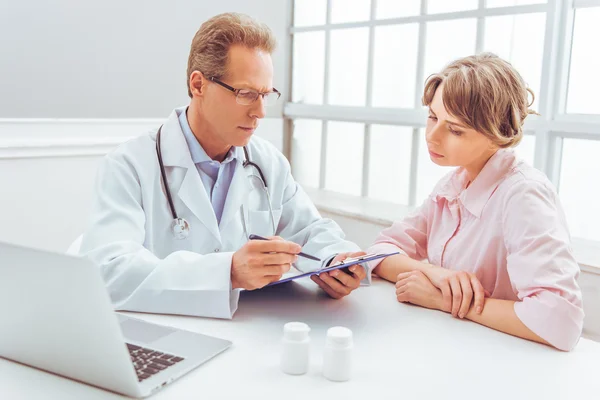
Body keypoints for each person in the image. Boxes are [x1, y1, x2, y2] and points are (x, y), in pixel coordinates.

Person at [79, 13, 367, 319]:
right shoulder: (129, 166)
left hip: (250, 335)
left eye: (266, 95)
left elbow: (308, 230)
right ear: (199, 84)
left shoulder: (266, 162)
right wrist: (227, 272)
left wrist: (334, 260)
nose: (260, 112)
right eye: (246, 94)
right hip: (161, 334)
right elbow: (107, 272)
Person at [367, 53, 584, 351]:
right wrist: (437, 274)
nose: (432, 136)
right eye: (432, 117)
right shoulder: (454, 184)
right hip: (454, 347)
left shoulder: (523, 194)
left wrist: (443, 300)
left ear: (499, 134)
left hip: (506, 360)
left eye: (455, 130)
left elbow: (561, 321)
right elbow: (378, 253)